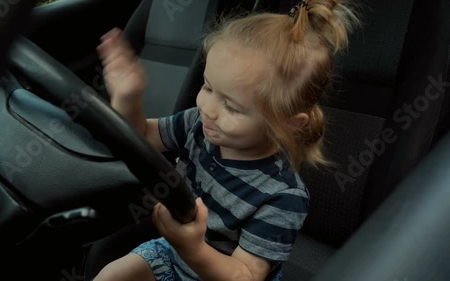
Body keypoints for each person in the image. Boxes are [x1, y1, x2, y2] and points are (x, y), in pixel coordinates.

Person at [94, 0, 358, 280]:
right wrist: (129, 99)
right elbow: (142, 138)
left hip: (216, 270)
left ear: (288, 123)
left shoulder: (282, 196)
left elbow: (246, 275)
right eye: (207, 86)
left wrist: (193, 249)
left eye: (231, 107)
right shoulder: (199, 123)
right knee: (111, 275)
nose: (208, 108)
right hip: (172, 252)